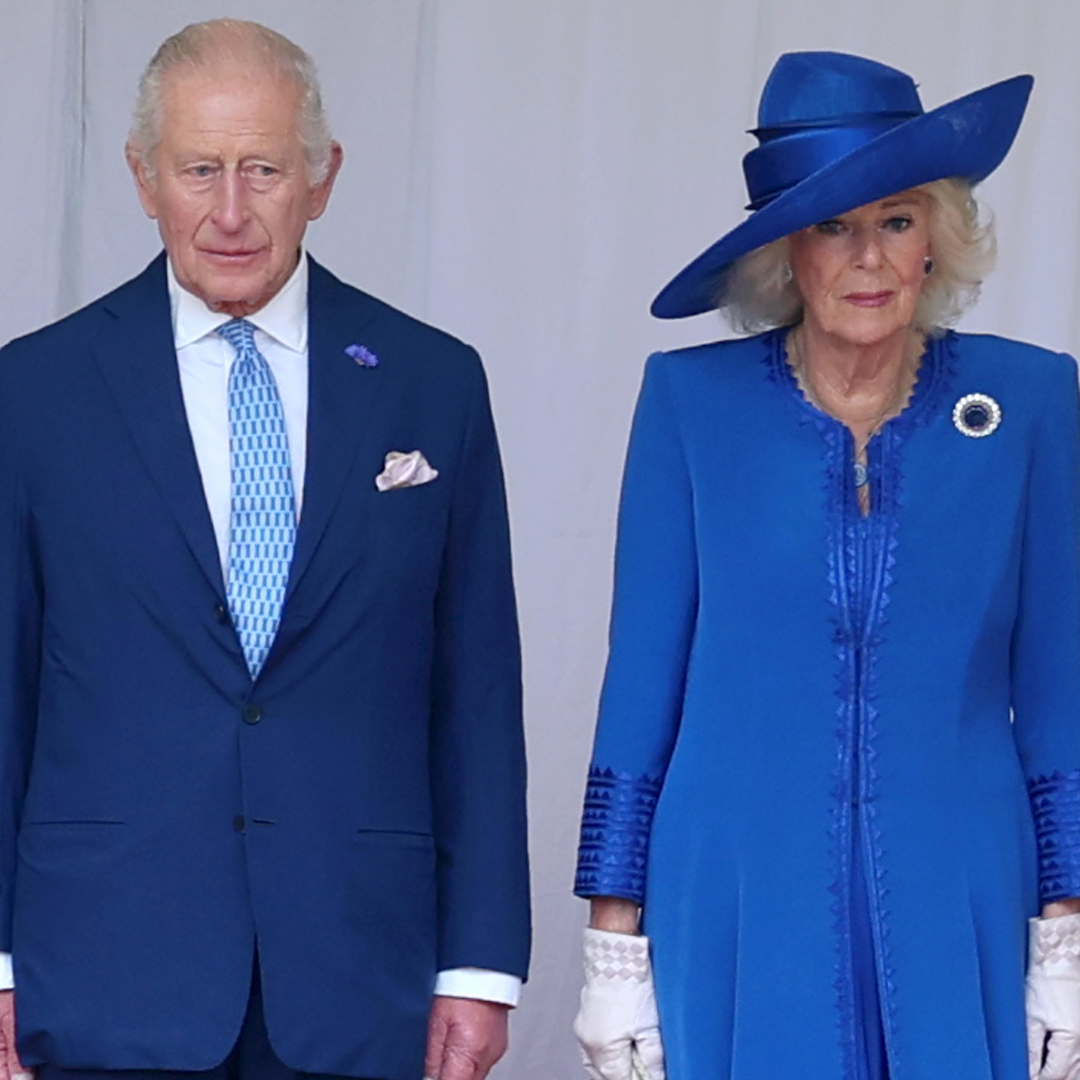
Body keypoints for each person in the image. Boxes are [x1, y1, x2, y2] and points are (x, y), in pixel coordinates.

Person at [0, 18, 529, 1080]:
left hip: (356, 976)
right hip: (100, 974)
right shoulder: (33, 394)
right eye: (200, 170)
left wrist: (478, 968)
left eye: (264, 170)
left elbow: (475, 696)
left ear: (322, 178)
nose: (231, 212)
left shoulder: (433, 383)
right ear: (144, 177)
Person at [572, 51, 1080, 1080]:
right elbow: (640, 690)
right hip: (737, 894)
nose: (869, 259)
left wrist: (1064, 934)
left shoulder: (1030, 403)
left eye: (896, 220)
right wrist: (612, 945)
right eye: (832, 227)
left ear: (936, 238)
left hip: (963, 891)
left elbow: (1062, 690)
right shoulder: (691, 407)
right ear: (784, 257)